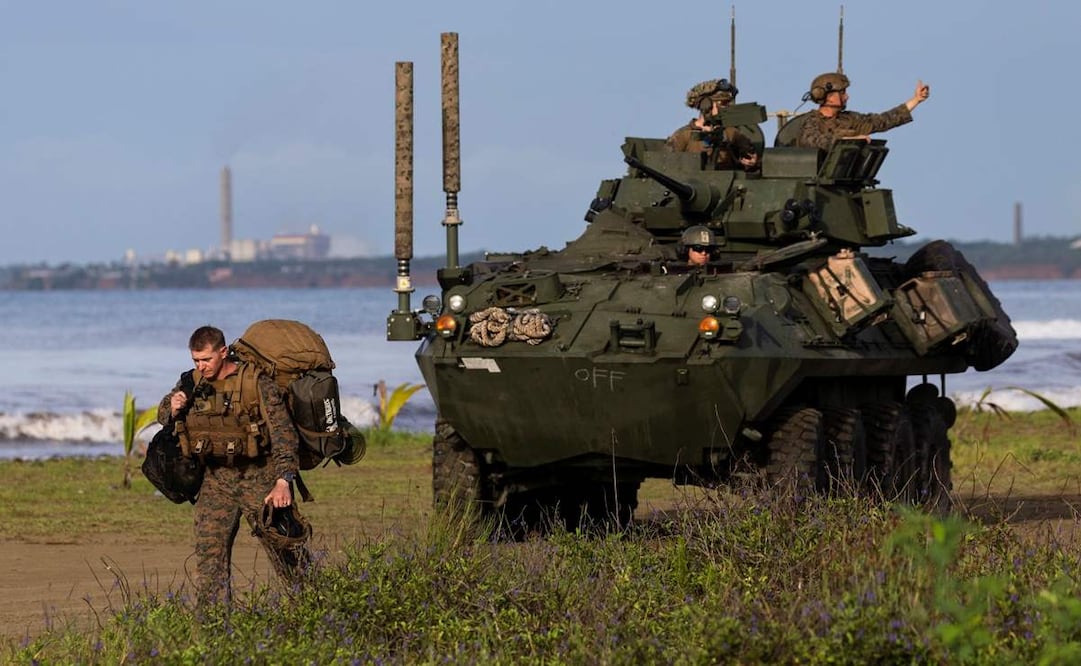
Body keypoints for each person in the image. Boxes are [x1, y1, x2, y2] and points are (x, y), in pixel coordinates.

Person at [157, 325, 311, 605]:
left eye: (206, 359)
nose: (201, 366)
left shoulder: (255, 382)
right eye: (196, 360)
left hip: (260, 478)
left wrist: (283, 480)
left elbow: (283, 434)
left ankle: (317, 613)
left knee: (288, 552)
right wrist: (172, 405)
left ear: (223, 352)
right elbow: (163, 415)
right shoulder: (192, 383)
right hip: (216, 481)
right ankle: (214, 631)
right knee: (209, 559)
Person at [795, 72, 930, 152]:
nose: (847, 97)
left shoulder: (849, 119)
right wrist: (847, 141)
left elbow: (882, 121)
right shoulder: (811, 121)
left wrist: (916, 100)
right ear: (828, 96)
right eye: (842, 93)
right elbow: (814, 141)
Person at [666, 78, 759, 171]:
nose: (726, 108)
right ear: (706, 105)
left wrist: (751, 164)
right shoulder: (684, 135)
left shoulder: (731, 133)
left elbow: (751, 161)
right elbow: (666, 166)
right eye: (722, 104)